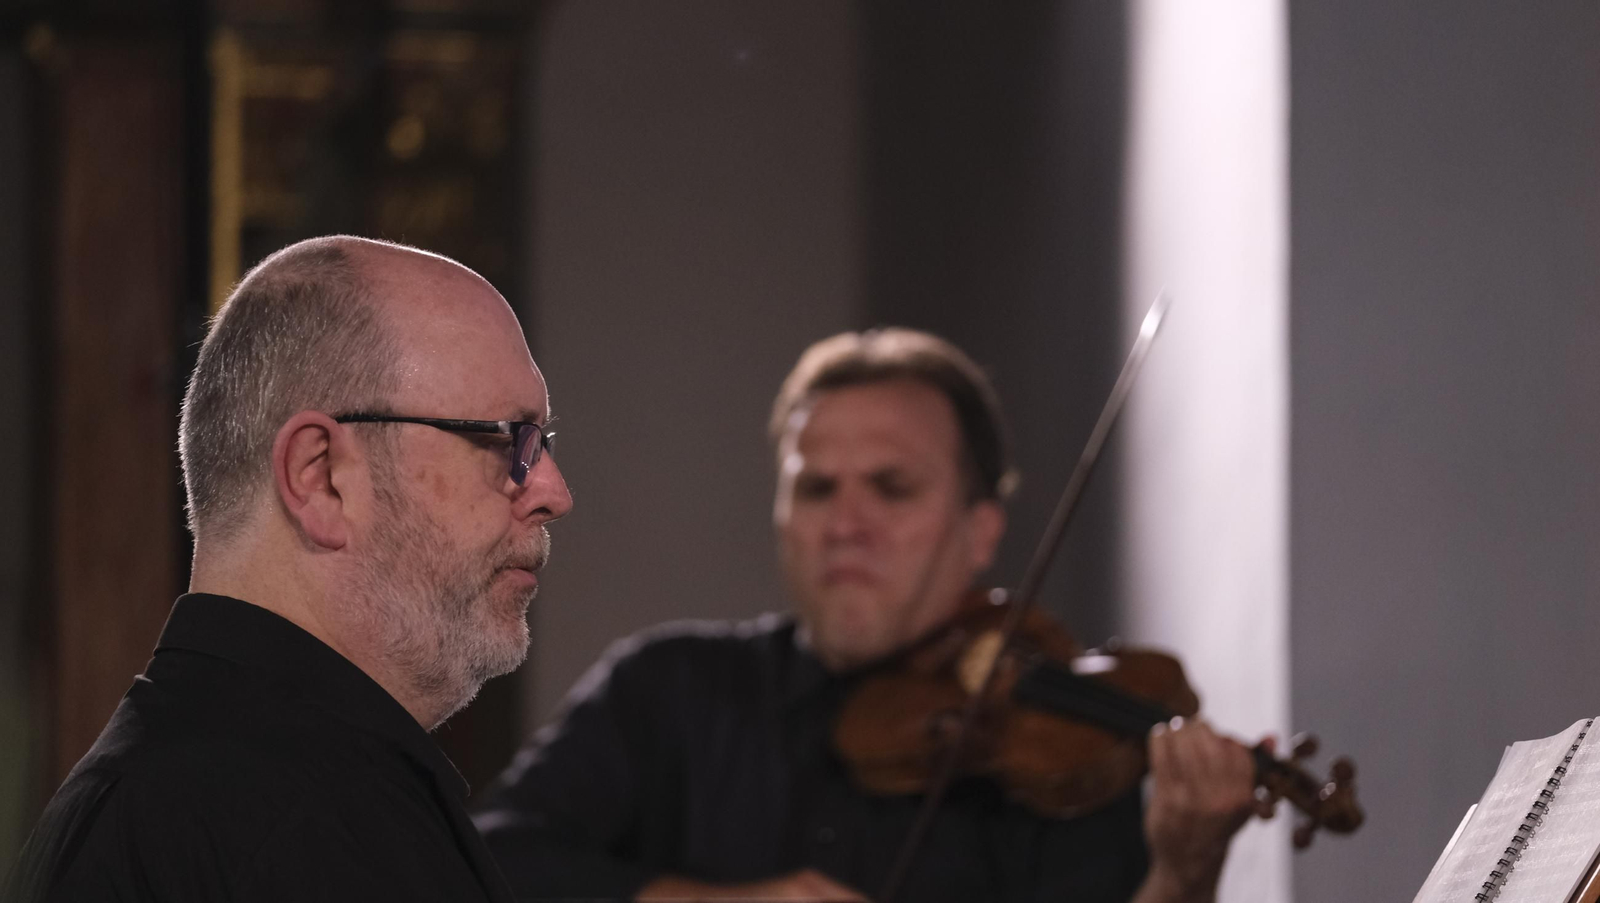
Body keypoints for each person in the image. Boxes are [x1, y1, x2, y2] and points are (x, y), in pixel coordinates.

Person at [473, 328, 1259, 903]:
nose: (846, 522)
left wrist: (1184, 874)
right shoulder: (668, 689)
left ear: (980, 528)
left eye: (892, 487)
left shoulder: (1058, 749)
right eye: (817, 488)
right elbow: (490, 858)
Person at [4, 236, 572, 902]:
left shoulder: (188, 796)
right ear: (321, 476)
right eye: (510, 439)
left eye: (544, 444)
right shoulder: (293, 830)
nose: (553, 492)